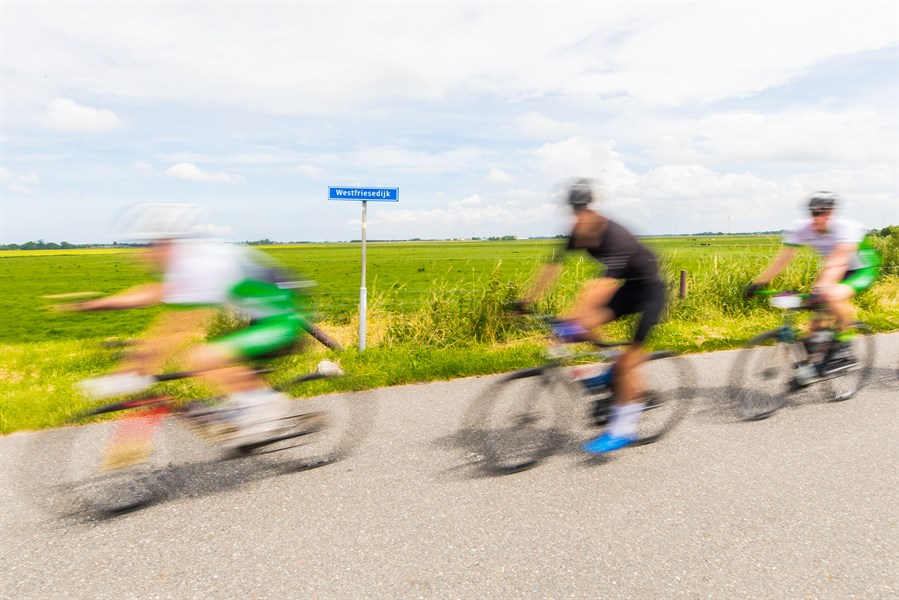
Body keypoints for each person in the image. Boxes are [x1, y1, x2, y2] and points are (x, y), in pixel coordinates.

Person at [59, 203, 310, 448]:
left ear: (170, 243)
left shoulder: (201, 264)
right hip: (258, 317)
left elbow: (178, 326)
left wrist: (130, 371)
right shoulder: (187, 261)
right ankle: (245, 406)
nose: (143, 253)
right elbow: (153, 292)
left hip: (280, 320)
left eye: (151, 245)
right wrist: (95, 304)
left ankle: (262, 405)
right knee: (216, 364)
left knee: (202, 358)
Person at [519, 179, 666, 454]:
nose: (578, 217)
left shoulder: (614, 236)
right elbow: (552, 267)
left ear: (592, 210)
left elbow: (600, 287)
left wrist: (569, 320)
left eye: (582, 210)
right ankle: (611, 365)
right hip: (628, 289)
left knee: (627, 364)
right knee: (584, 326)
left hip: (649, 294)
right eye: (575, 211)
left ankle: (623, 430)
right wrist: (527, 300)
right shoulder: (576, 233)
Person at [744, 192, 881, 371]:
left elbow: (839, 260)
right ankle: (810, 367)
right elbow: (783, 258)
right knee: (815, 322)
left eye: (823, 213)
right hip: (832, 269)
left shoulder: (846, 228)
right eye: (814, 213)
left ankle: (845, 341)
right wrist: (759, 283)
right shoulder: (802, 229)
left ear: (831, 213)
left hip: (860, 269)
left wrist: (821, 288)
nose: (818, 218)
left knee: (831, 296)